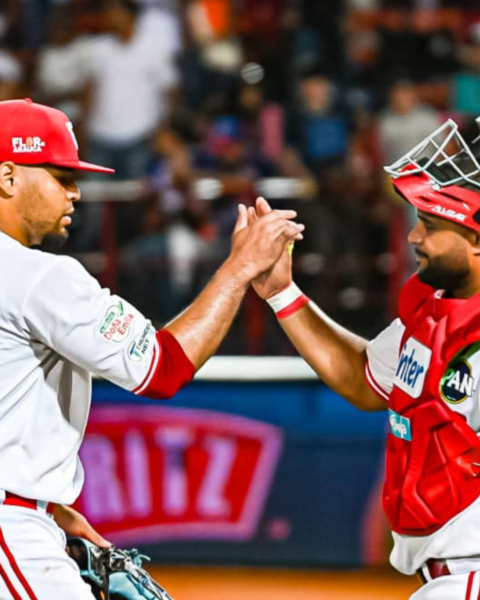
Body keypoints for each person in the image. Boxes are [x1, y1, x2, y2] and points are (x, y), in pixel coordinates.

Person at [0, 98, 304, 599]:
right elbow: (162, 368)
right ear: (9, 177)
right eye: (60, 176)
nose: (76, 193)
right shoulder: (40, 278)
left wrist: (49, 509)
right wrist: (239, 270)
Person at [251, 116, 480, 600]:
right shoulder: (432, 311)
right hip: (444, 577)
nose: (415, 237)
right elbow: (362, 380)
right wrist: (281, 294)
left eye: (433, 225)